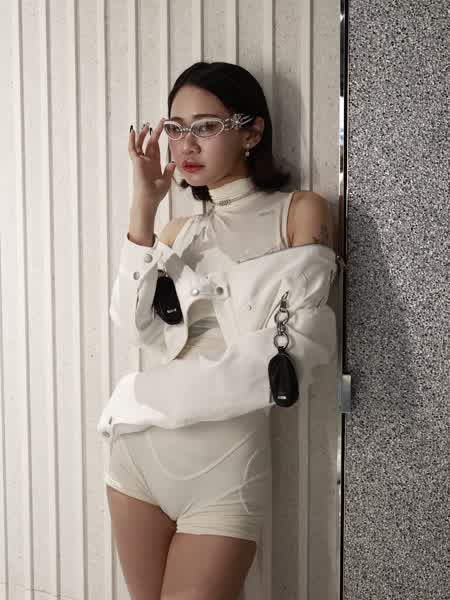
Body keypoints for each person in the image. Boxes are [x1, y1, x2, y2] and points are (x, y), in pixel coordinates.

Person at [101, 61, 336, 600]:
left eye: (206, 126)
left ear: (251, 132)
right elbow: (134, 325)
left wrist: (143, 395)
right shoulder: (176, 231)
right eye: (176, 128)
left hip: (223, 464)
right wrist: (144, 207)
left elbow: (294, 351)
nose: (186, 144)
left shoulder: (299, 212)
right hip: (135, 461)